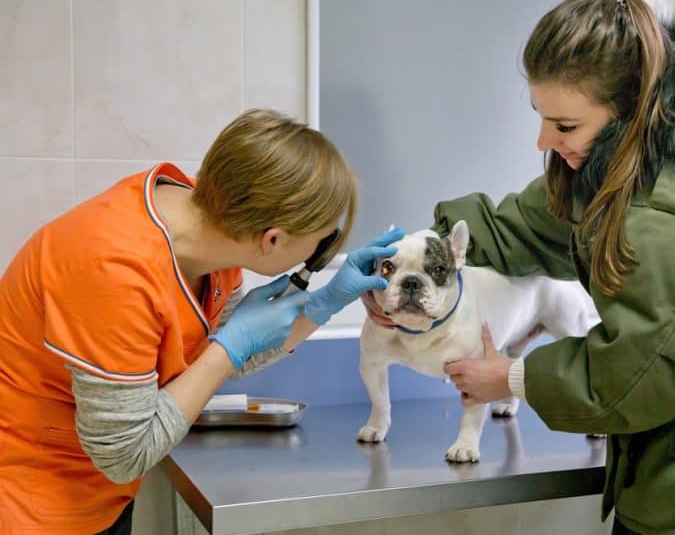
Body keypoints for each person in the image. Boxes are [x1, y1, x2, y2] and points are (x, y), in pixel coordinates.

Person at [361, 0, 675, 533]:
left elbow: (638, 370)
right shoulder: (621, 169)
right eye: (541, 118)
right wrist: (403, 270)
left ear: (630, 108)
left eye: (565, 126)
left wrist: (513, 376)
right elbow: (516, 229)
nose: (544, 141)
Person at [0, 108, 404, 534]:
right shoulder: (114, 269)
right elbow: (125, 455)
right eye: (318, 243)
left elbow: (226, 354)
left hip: (98, 495)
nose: (315, 255)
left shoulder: (214, 224)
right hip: (31, 503)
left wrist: (323, 304)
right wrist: (232, 346)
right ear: (273, 239)